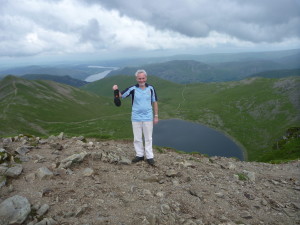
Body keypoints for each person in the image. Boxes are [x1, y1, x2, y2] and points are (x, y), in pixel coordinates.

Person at [112, 69, 159, 165]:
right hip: (136, 117)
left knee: (148, 138)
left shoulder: (151, 88)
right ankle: (140, 155)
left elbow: (155, 102)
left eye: (143, 78)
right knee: (137, 138)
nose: (141, 80)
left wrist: (156, 116)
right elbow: (121, 95)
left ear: (146, 78)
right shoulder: (133, 88)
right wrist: (116, 90)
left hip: (148, 117)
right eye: (139, 78)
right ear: (136, 79)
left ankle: (149, 157)